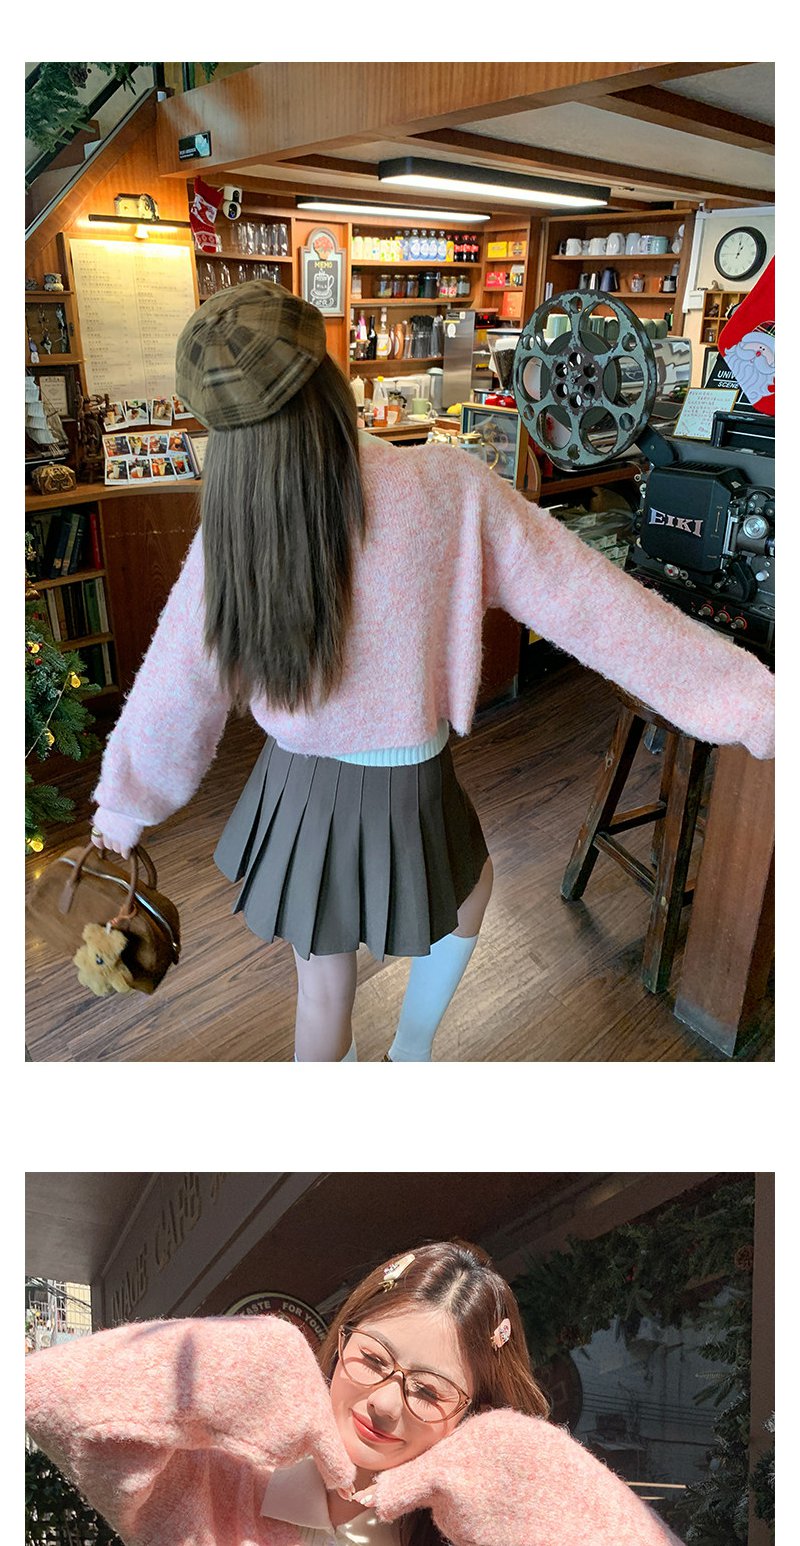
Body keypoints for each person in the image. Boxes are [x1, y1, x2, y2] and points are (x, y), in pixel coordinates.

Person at [89, 281, 774, 1061]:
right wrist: (753, 702)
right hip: (408, 774)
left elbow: (174, 688)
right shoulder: (446, 485)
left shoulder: (234, 527)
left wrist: (124, 809)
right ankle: (410, 1054)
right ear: (329, 370)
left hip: (299, 783)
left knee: (324, 986)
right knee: (468, 898)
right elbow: (599, 608)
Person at [25, 1238, 684, 1546]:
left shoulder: (469, 1537)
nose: (386, 1403)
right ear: (340, 1342)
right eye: (372, 1358)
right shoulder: (218, 1481)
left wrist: (529, 1469)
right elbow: (48, 1393)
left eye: (429, 1391)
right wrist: (228, 1367)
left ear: (473, 1417)